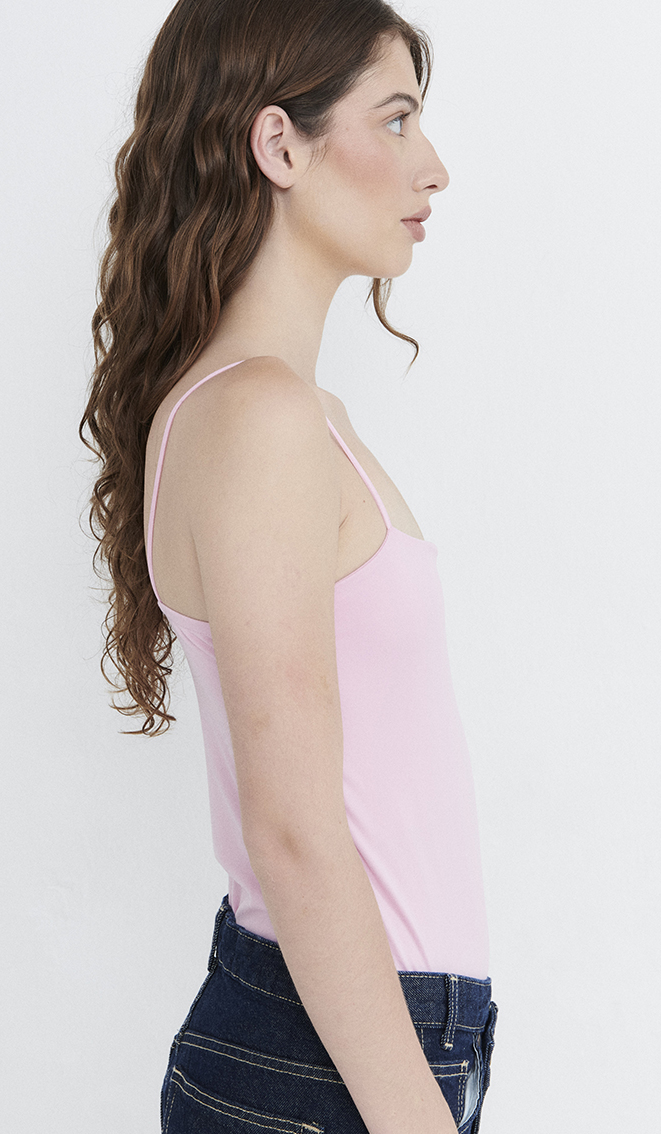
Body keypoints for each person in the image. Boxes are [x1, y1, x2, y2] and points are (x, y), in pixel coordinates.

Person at [80, 0, 497, 1130]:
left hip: (344, 1050)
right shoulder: (259, 418)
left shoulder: (285, 413)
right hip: (328, 1065)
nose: (434, 166)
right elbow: (294, 834)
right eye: (396, 119)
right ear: (280, 144)